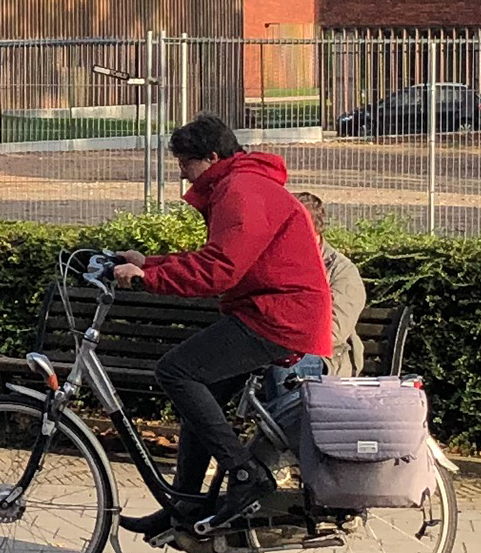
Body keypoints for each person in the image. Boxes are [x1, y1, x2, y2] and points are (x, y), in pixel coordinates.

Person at [112, 115, 335, 530]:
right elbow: (219, 256)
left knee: (176, 371)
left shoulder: (241, 189)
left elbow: (221, 269)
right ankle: (186, 507)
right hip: (270, 312)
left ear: (212, 157)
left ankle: (245, 474)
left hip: (279, 318)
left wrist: (150, 278)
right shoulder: (242, 183)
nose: (183, 174)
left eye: (186, 163)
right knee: (201, 398)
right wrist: (150, 263)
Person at [299, 189, 371, 375]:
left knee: (287, 366)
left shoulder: (343, 272)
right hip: (276, 347)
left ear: (311, 230)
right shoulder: (276, 262)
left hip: (328, 360)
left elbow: (331, 332)